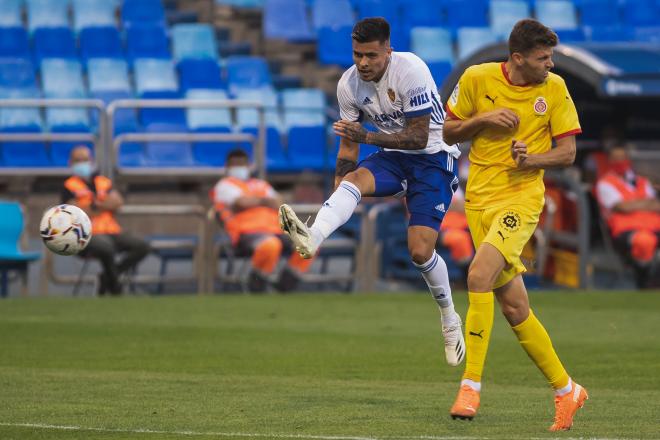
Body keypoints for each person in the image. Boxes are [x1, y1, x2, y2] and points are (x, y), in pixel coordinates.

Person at [278, 17, 465, 366]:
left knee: (420, 252)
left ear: (387, 51)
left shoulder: (411, 71)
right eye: (357, 54)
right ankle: (313, 237)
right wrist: (338, 197)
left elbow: (419, 137)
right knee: (353, 180)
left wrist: (366, 138)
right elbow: (348, 149)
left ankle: (449, 318)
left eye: (370, 56)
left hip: (432, 159)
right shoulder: (348, 85)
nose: (362, 63)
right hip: (393, 157)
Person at [443, 19, 587, 431]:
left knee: (478, 274)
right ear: (518, 58)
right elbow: (448, 130)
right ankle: (567, 390)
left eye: (551, 56)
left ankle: (470, 384)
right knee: (513, 306)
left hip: (521, 200)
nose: (551, 64)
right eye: (543, 58)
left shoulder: (554, 89)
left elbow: (568, 152)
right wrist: (484, 119)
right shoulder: (477, 78)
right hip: (478, 199)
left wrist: (532, 160)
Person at [211, 148, 314, 292]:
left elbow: (278, 202)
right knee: (271, 245)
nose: (239, 168)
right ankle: (257, 282)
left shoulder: (260, 183)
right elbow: (241, 202)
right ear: (227, 167)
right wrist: (264, 200)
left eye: (242, 164)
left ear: (248, 165)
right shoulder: (224, 185)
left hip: (275, 228)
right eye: (235, 165)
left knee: (309, 241)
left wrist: (257, 201)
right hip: (246, 232)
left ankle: (285, 284)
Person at [62, 145, 150, 295]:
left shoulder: (103, 181)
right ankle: (115, 288)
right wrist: (103, 204)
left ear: (91, 161)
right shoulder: (68, 186)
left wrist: (93, 206)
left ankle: (108, 277)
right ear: (70, 163)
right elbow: (74, 212)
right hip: (87, 235)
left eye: (85, 159)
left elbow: (117, 202)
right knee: (105, 247)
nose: (82, 163)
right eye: (78, 160)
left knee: (142, 245)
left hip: (112, 231)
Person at [596, 144, 660, 288]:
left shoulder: (643, 181)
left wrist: (633, 204)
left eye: (623, 158)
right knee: (644, 241)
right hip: (626, 231)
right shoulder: (605, 183)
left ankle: (652, 277)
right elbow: (622, 207)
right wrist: (646, 203)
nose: (620, 161)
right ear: (610, 161)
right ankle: (645, 282)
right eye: (616, 158)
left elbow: (657, 204)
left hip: (654, 226)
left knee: (648, 239)